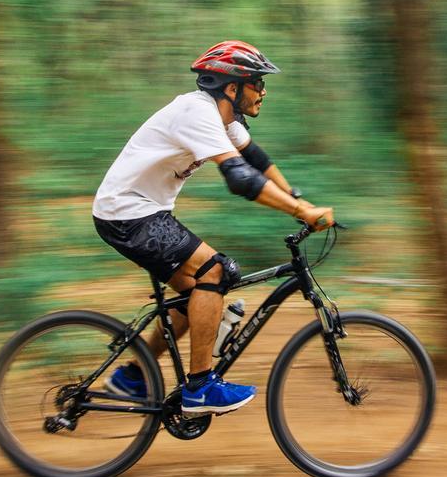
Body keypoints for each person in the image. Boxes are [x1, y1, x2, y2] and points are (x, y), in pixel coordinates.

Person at [92, 41, 334, 416]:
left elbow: (255, 159)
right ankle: (200, 387)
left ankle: (132, 376)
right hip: (127, 213)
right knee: (215, 271)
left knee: (197, 295)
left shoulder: (225, 121)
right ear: (232, 88)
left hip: (142, 212)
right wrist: (302, 210)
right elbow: (239, 178)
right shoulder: (197, 112)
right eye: (258, 83)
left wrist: (297, 200)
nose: (263, 92)